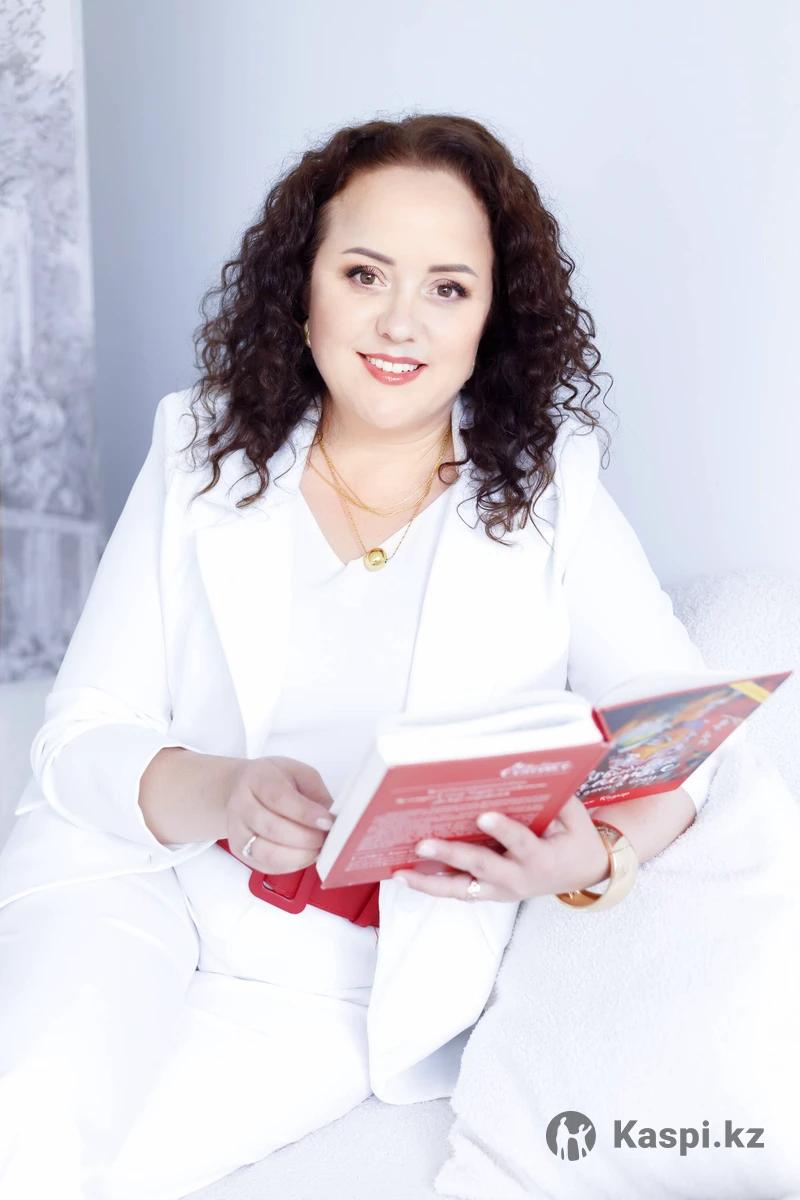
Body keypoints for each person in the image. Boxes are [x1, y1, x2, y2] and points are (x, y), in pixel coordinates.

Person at [0, 113, 726, 1200]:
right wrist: (224, 792)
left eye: (448, 288)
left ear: (492, 317)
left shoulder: (551, 487)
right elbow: (80, 740)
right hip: (133, 885)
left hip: (341, 983)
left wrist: (590, 862)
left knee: (98, 1180)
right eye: (363, 273)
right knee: (24, 1131)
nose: (399, 322)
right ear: (303, 290)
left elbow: (681, 729)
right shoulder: (197, 447)